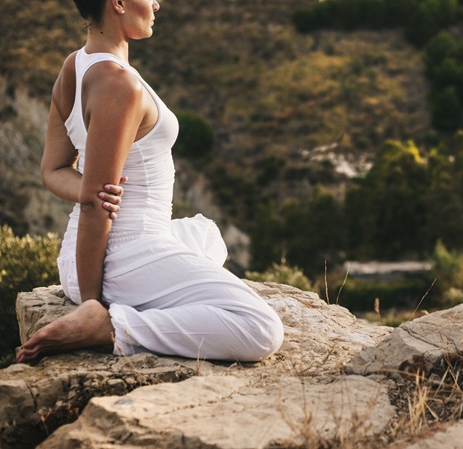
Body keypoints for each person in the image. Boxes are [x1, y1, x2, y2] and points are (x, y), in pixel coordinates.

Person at [16, 0, 284, 363]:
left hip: (88, 254)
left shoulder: (75, 65)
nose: (158, 2)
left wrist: (88, 187)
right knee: (261, 328)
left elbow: (53, 169)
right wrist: (93, 302)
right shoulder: (119, 86)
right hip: (119, 255)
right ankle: (113, 325)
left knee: (206, 234)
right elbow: (97, 206)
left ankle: (122, 299)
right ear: (119, 3)